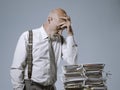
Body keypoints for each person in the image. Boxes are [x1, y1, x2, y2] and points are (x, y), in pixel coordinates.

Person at [10, 8, 77, 90]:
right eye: (59, 26)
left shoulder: (60, 40)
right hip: (31, 86)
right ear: (50, 20)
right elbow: (17, 68)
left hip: (51, 87)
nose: (61, 30)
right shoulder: (28, 36)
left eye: (63, 27)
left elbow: (72, 61)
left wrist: (70, 32)